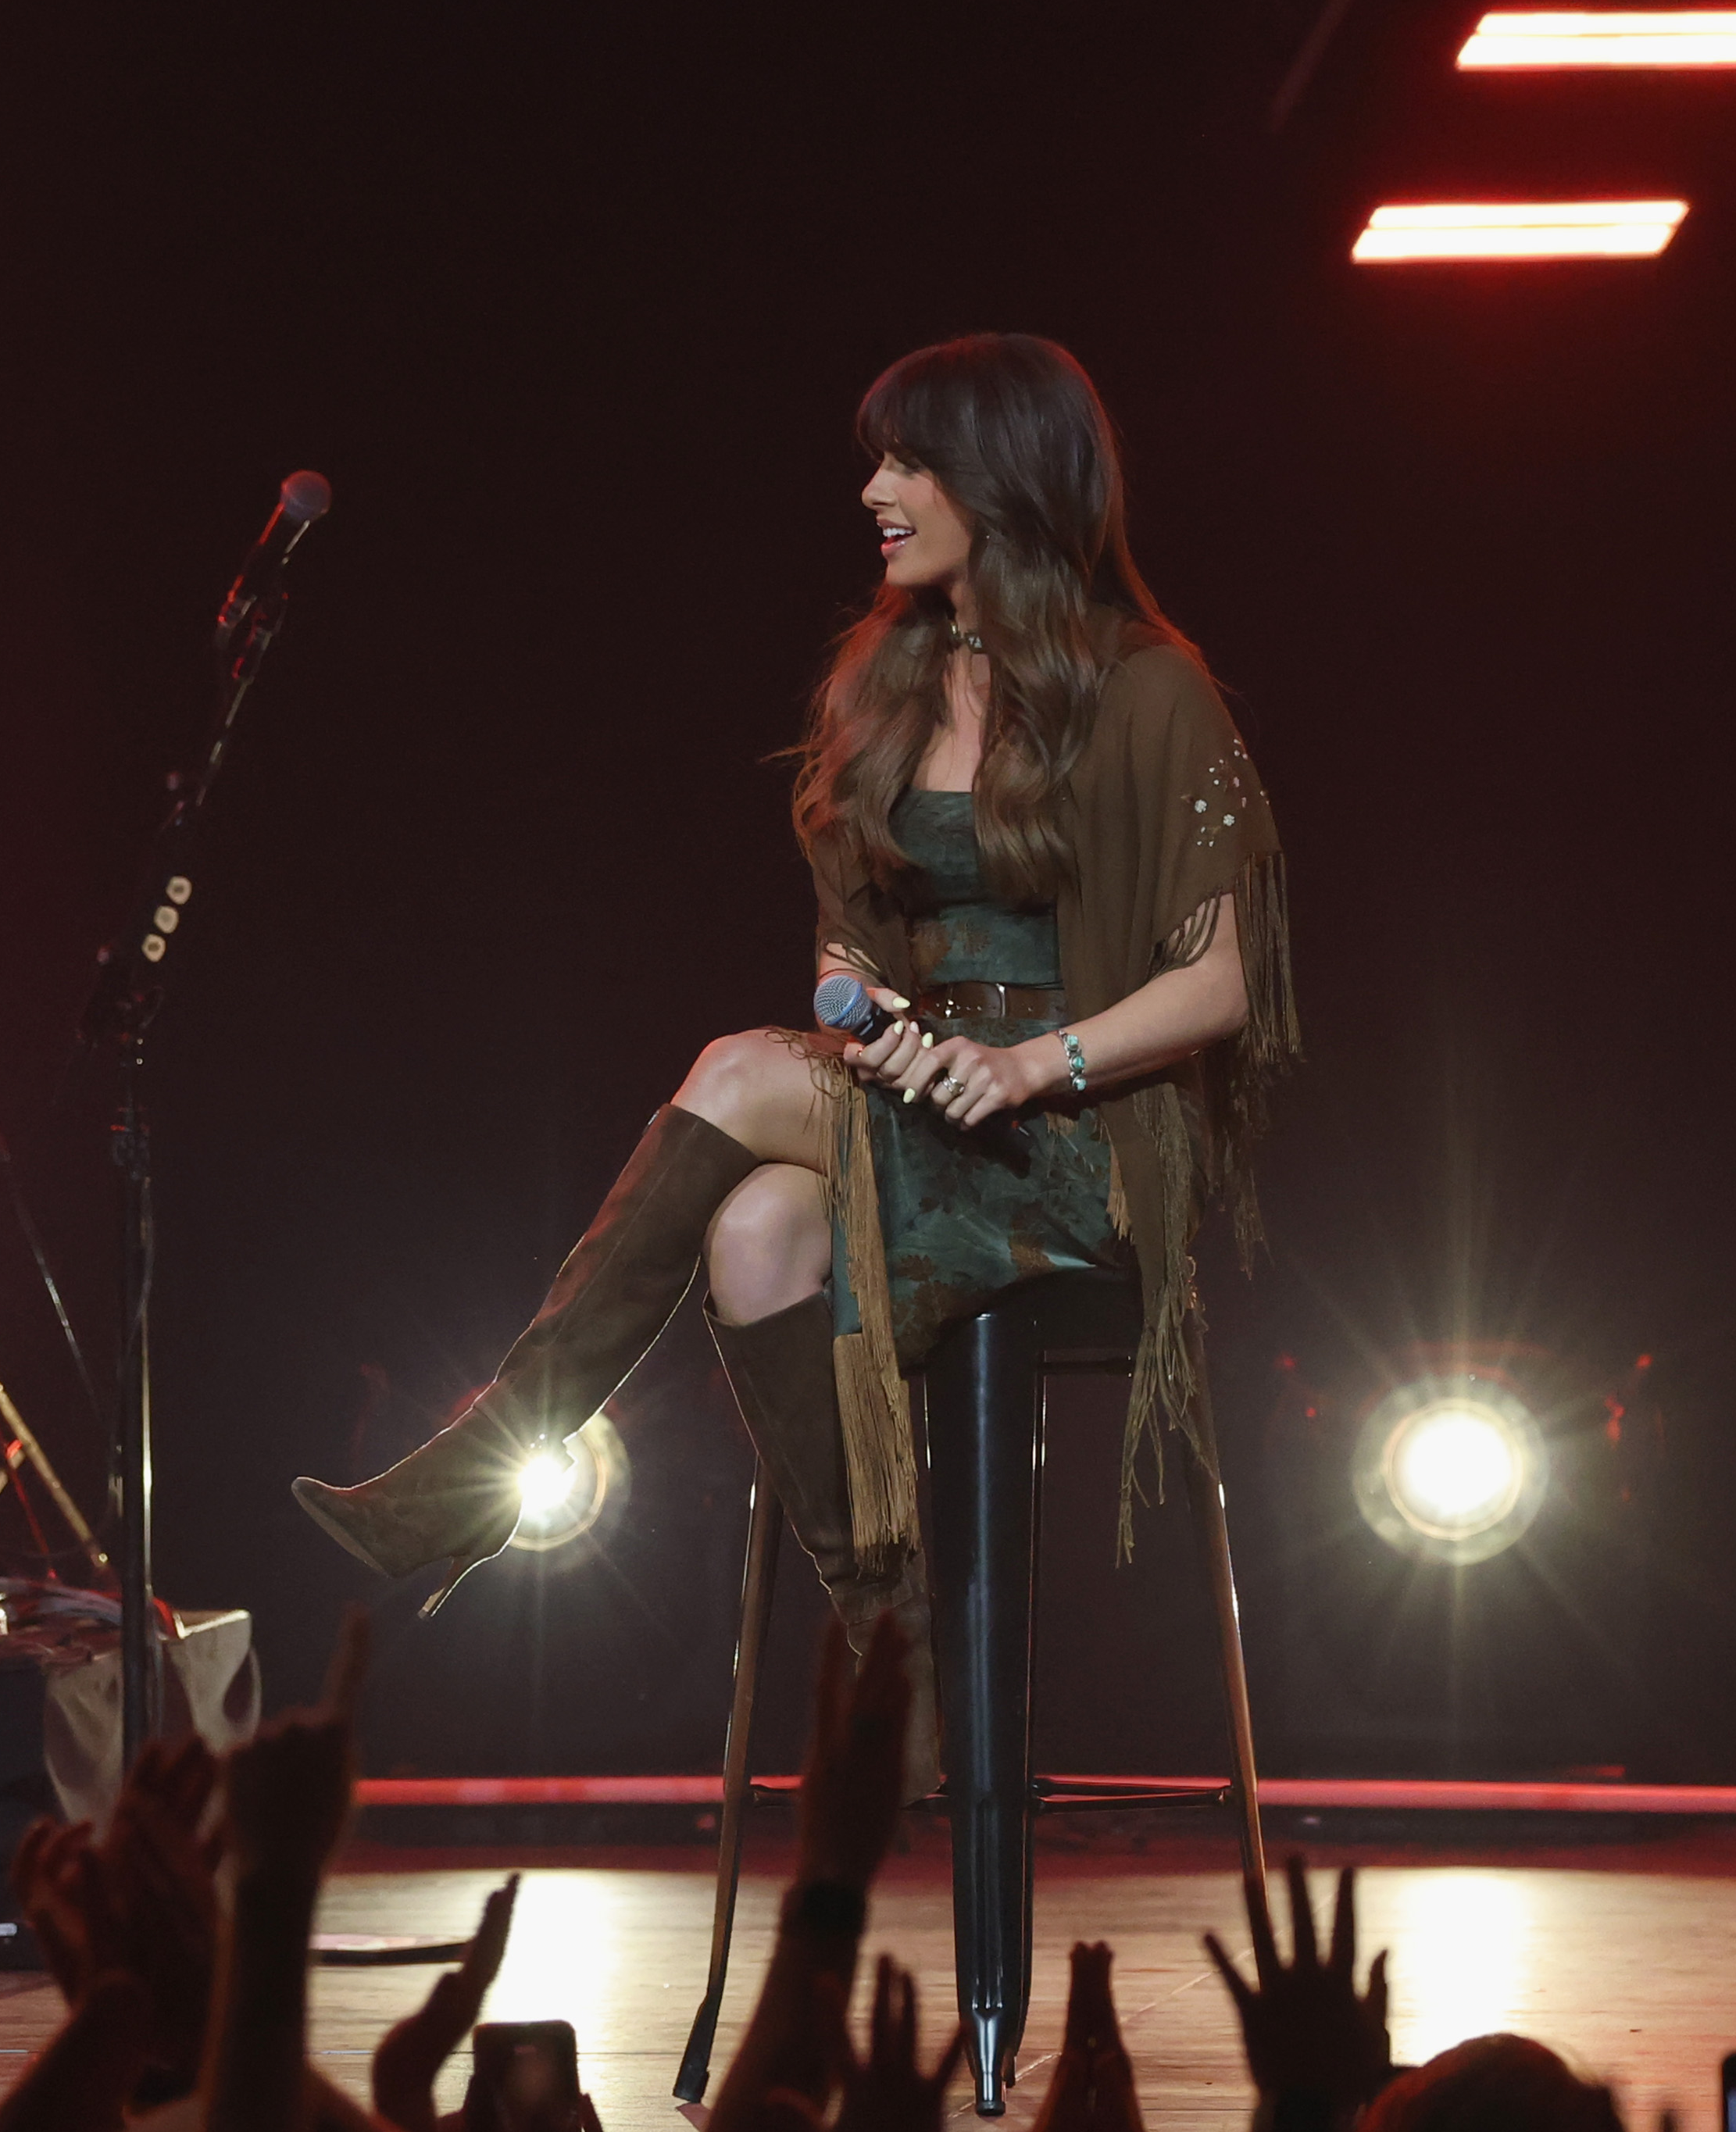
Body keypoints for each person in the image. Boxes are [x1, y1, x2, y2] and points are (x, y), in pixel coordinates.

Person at [290, 334, 1295, 1752]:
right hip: (919, 1108)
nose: (875, 492)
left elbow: (1220, 987)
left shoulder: (1145, 687)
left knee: (731, 1069)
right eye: (876, 463)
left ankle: (479, 1470)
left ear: (1005, 477)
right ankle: (891, 1643)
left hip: (1079, 1136)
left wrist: (1025, 1064)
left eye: (909, 464)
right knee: (756, 1233)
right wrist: (864, 1019)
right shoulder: (884, 680)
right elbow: (846, 955)